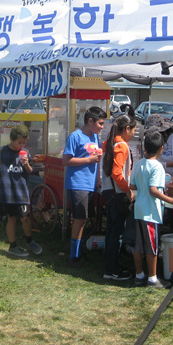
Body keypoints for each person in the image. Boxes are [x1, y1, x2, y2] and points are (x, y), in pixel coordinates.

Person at [130, 131, 173, 288]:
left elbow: (132, 185)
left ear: (145, 147)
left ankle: (139, 274)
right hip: (151, 211)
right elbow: (153, 190)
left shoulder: (139, 164)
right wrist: (172, 201)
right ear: (161, 148)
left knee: (139, 245)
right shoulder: (158, 167)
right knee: (152, 246)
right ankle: (152, 278)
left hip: (139, 209)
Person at [0, 124, 42, 257]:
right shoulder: (1, 151)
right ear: (11, 139)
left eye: (24, 142)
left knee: (25, 218)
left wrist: (26, 164)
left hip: (22, 192)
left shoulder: (25, 152)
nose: (21, 145)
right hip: (8, 193)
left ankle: (29, 240)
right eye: (19, 142)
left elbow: (31, 172)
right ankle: (13, 245)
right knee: (11, 218)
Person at [62, 106, 107, 267]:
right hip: (77, 183)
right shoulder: (75, 136)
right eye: (100, 123)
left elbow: (97, 160)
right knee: (79, 219)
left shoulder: (95, 137)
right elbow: (66, 160)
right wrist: (89, 160)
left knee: (84, 219)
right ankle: (74, 256)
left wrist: (97, 179)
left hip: (90, 184)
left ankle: (79, 251)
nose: (102, 127)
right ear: (90, 121)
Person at [100, 114, 136, 281]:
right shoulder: (121, 145)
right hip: (117, 194)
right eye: (133, 130)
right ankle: (112, 269)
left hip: (108, 191)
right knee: (116, 232)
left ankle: (110, 266)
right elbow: (117, 173)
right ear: (127, 129)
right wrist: (128, 190)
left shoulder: (109, 143)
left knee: (111, 231)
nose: (134, 134)